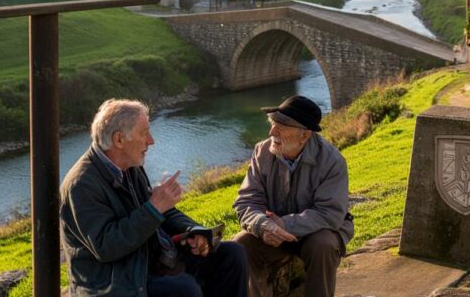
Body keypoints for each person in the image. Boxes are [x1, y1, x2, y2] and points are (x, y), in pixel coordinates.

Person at [60, 98, 248, 297]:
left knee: (232, 254)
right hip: (112, 281)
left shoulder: (130, 165)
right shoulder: (81, 185)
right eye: (144, 133)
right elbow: (106, 247)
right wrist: (153, 208)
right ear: (119, 140)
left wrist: (194, 231)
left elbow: (162, 211)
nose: (151, 140)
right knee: (184, 290)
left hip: (148, 259)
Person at [233, 96, 354, 297]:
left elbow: (330, 214)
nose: (272, 132)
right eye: (273, 124)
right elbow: (247, 200)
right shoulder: (262, 152)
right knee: (241, 243)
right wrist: (262, 224)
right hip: (273, 230)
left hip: (316, 232)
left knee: (322, 245)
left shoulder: (332, 161)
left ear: (305, 135)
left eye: (281, 127)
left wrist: (284, 225)